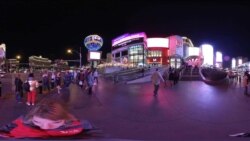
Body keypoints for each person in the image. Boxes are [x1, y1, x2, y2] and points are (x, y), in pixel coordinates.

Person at [0, 98, 94, 139]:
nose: (45, 127)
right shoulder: (18, 123)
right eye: (38, 122)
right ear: (31, 118)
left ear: (67, 119)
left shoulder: (83, 129)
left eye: (55, 122)